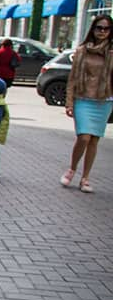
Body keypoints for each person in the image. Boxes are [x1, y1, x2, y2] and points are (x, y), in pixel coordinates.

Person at [60, 15, 113, 193]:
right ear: (93, 29)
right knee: (84, 137)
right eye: (99, 28)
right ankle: (72, 168)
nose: (102, 32)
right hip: (83, 98)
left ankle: (85, 178)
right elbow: (73, 79)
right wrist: (69, 103)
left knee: (94, 140)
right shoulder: (82, 51)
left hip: (104, 100)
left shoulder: (112, 52)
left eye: (106, 29)